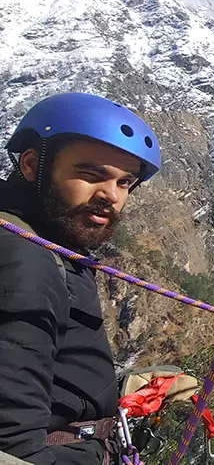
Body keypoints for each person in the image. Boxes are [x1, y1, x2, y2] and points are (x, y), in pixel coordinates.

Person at [0, 92, 161, 464]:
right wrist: (99, 454)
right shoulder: (26, 260)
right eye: (91, 174)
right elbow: (13, 449)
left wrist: (114, 389)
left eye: (125, 183)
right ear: (31, 165)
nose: (111, 196)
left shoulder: (48, 242)